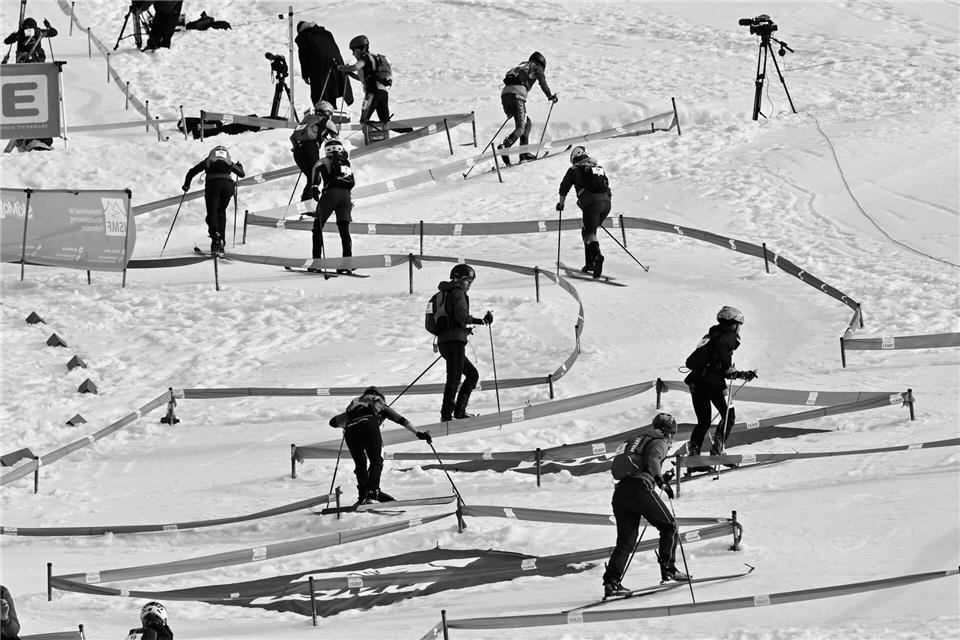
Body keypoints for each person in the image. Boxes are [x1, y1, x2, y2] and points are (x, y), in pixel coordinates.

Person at [601, 413, 689, 598]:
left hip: (621, 493)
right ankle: (669, 570)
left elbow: (643, 465)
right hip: (639, 490)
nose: (672, 438)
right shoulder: (660, 441)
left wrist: (658, 478)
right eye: (672, 433)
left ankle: (611, 582)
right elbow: (655, 459)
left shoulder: (637, 439)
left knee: (625, 541)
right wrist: (661, 482)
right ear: (668, 431)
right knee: (669, 526)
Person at [683, 306, 757, 471]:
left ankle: (693, 459)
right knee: (729, 416)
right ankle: (717, 450)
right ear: (733, 324)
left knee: (703, 421)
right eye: (739, 324)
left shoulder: (709, 335)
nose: (739, 329)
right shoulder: (729, 337)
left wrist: (735, 373)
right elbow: (725, 370)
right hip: (713, 383)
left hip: (696, 382)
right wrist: (740, 374)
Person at [329, 386, 432, 505]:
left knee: (360, 464)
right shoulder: (379, 402)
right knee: (377, 460)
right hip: (368, 424)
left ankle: (363, 496)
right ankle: (373, 490)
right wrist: (418, 433)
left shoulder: (353, 407)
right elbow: (400, 419)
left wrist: (347, 423)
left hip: (350, 432)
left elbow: (333, 422)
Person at [434, 265, 493, 422]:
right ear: (458, 278)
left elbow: (452, 318)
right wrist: (482, 321)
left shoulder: (444, 292)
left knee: (471, 375)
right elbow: (462, 316)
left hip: (445, 341)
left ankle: (457, 412)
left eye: (471, 282)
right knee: (454, 378)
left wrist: (464, 330)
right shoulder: (458, 292)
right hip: (454, 342)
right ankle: (447, 416)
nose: (469, 284)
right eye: (467, 280)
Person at [556, 146, 613, 278]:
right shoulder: (597, 168)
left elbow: (564, 187)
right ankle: (590, 264)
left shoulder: (574, 169)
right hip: (606, 204)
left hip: (592, 205)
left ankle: (597, 257)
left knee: (589, 233)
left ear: (575, 159)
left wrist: (561, 204)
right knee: (587, 230)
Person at [182, 145, 245, 255]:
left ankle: (215, 236)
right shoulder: (229, 162)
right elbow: (242, 174)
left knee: (212, 214)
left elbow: (192, 172)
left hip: (213, 186)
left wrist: (186, 186)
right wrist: (240, 166)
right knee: (221, 213)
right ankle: (221, 242)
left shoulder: (208, 161)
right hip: (227, 186)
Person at [497, 51, 557, 165]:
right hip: (517, 95)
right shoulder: (536, 67)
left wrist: (508, 111)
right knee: (521, 127)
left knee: (527, 123)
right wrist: (550, 95)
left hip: (505, 95)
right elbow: (542, 82)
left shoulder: (521, 65)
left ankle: (523, 153)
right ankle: (505, 146)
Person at [309, 138, 354, 273]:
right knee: (344, 230)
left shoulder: (323, 160)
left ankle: (316, 262)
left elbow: (315, 171)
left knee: (317, 228)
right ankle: (347, 263)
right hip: (346, 197)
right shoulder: (346, 162)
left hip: (331, 195)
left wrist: (314, 187)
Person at [295, 21, 353, 108]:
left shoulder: (303, 36)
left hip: (319, 67)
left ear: (300, 30)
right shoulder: (326, 33)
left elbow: (304, 56)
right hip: (336, 64)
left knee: (319, 96)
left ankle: (323, 117)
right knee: (331, 91)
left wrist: (305, 75)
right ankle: (331, 115)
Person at [290, 101, 339, 202]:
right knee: (315, 178)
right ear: (328, 112)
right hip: (311, 148)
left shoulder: (307, 119)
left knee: (311, 177)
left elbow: (292, 137)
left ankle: (306, 204)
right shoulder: (326, 121)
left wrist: (297, 147)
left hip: (298, 151)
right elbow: (336, 139)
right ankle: (308, 204)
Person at [337, 35, 391, 126]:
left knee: (364, 120)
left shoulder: (364, 57)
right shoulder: (372, 58)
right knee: (385, 121)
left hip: (374, 92)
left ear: (360, 48)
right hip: (383, 91)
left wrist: (340, 67)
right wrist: (350, 74)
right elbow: (362, 79)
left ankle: (370, 138)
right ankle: (410, 131)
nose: (353, 54)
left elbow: (355, 67)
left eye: (353, 50)